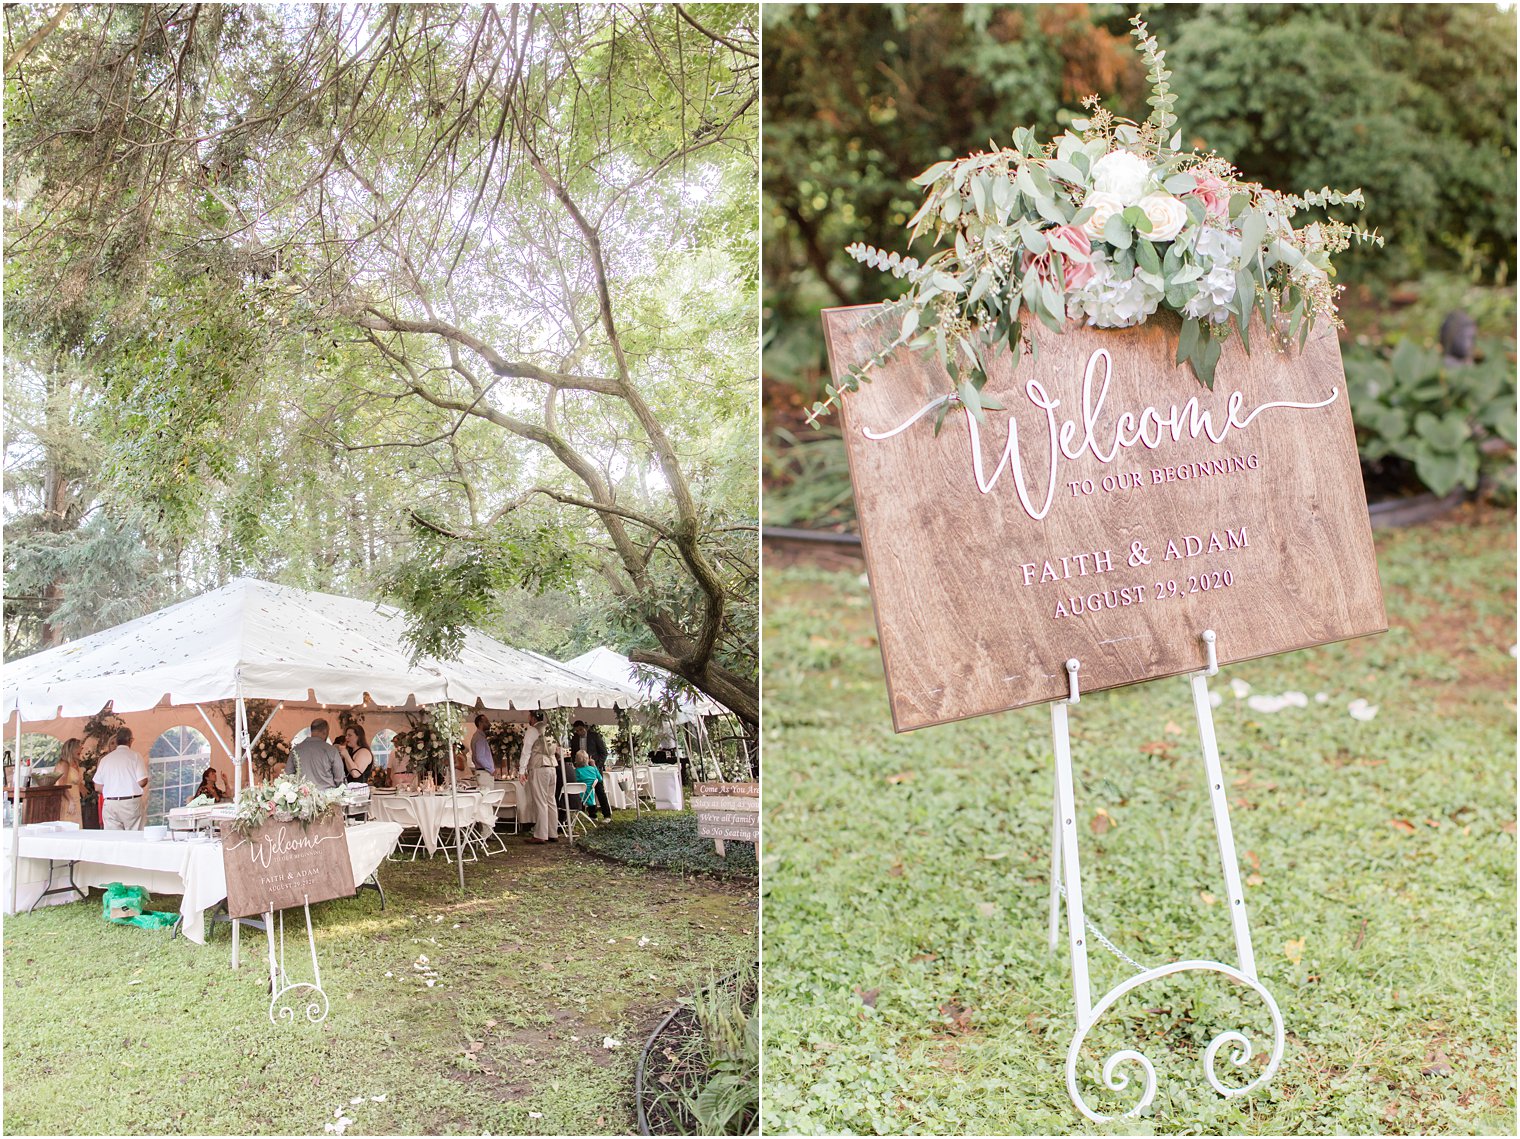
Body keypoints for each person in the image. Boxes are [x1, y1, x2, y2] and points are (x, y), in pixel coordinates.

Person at [92, 727, 148, 830]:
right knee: (134, 838)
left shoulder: (105, 759)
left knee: (114, 839)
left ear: (117, 741)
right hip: (130, 803)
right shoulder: (135, 756)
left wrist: (113, 789)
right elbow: (142, 781)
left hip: (110, 803)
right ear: (131, 740)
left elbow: (97, 787)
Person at [518, 710, 561, 844]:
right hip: (552, 766)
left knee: (540, 801)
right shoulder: (550, 729)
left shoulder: (533, 730)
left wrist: (521, 770)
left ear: (532, 717)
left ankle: (541, 834)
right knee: (551, 800)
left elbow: (526, 751)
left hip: (539, 766)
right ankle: (552, 832)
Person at [572, 720, 613, 820]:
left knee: (599, 790)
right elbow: (573, 752)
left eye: (581, 729)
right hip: (581, 769)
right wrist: (575, 763)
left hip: (593, 768)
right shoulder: (574, 738)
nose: (579, 732)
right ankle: (592, 814)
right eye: (577, 731)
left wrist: (596, 765)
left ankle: (607, 815)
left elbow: (604, 752)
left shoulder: (594, 736)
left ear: (585, 727)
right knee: (585, 791)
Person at [289, 718, 345, 791]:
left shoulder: (296, 749)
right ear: (325, 731)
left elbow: (288, 774)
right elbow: (339, 777)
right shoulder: (332, 750)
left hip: (303, 797)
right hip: (327, 797)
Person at [54, 738, 85, 826]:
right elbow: (60, 785)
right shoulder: (63, 764)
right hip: (67, 799)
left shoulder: (76, 765)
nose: (81, 749)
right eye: (77, 747)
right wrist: (70, 800)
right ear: (70, 749)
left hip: (76, 799)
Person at [469, 714, 496, 792]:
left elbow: (474, 758)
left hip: (481, 771)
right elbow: (479, 757)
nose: (489, 724)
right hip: (485, 772)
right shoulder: (479, 738)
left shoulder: (476, 737)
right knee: (487, 798)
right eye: (486, 722)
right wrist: (491, 769)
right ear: (480, 723)